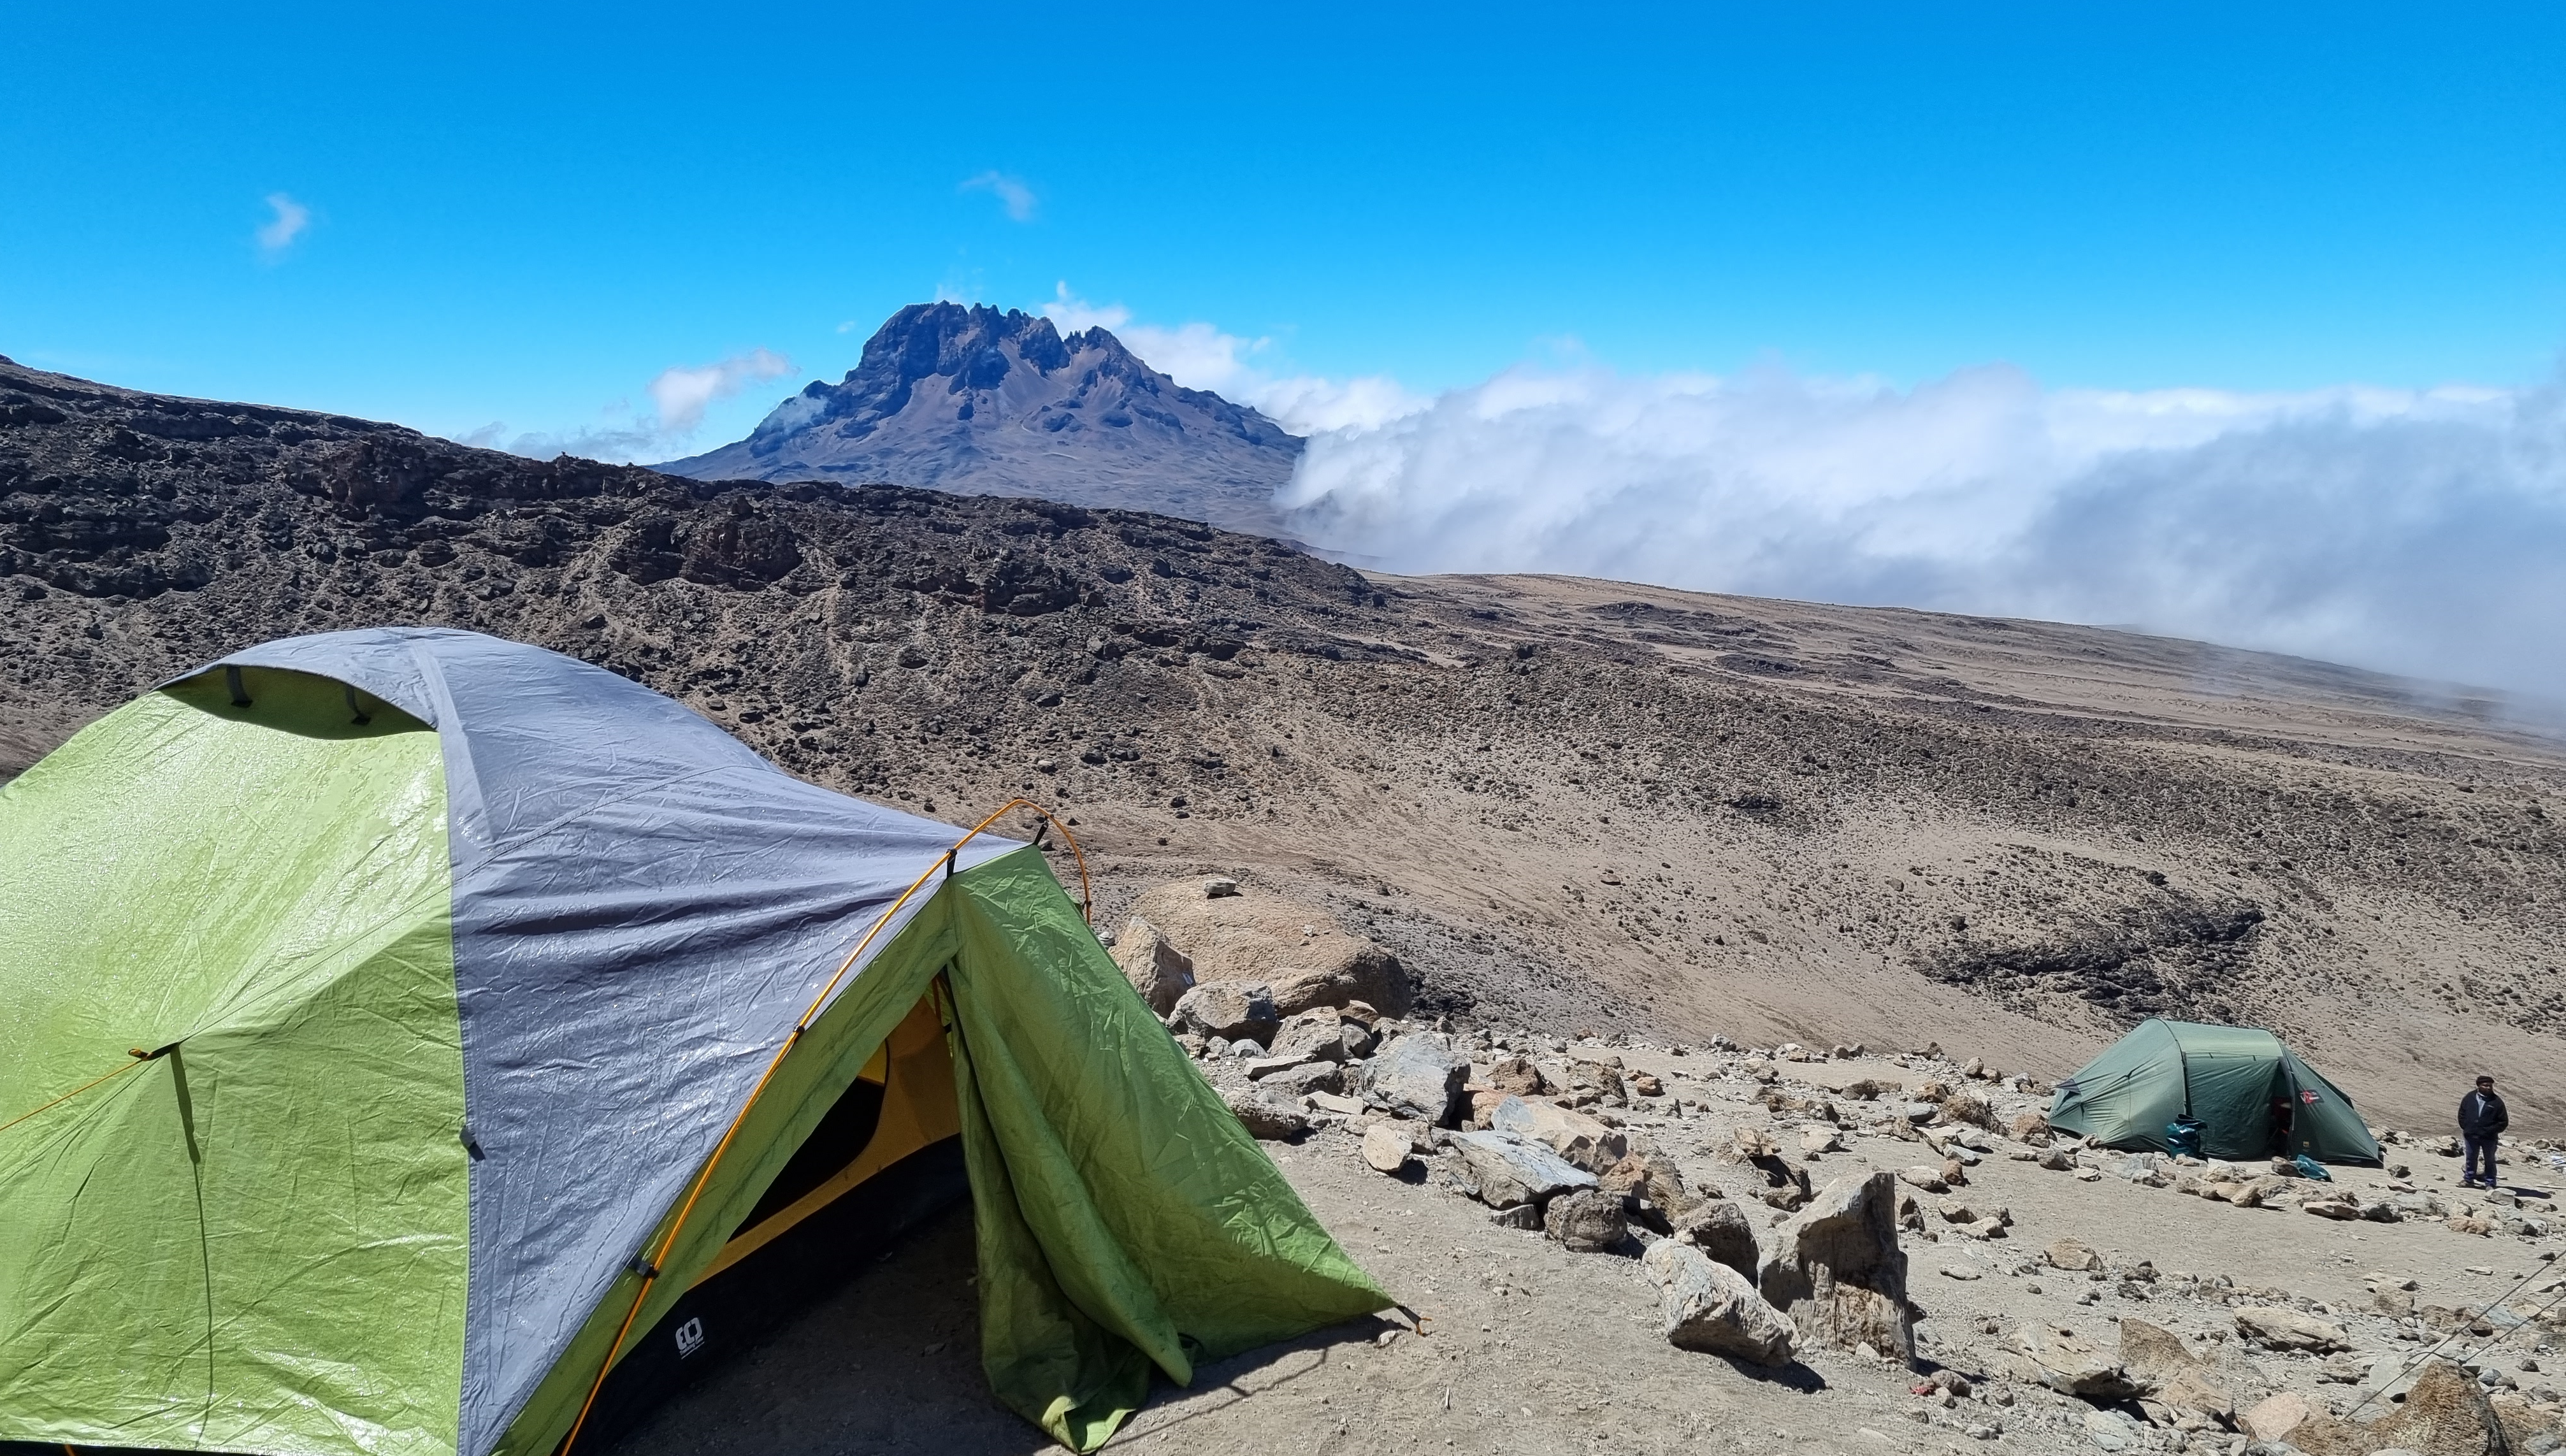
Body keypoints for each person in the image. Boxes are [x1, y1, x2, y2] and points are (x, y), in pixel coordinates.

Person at [2460, 1075, 2509, 1189]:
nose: (2488, 1088)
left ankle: (2490, 1183)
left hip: (2489, 1138)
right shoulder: (2469, 1098)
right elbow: (2462, 1114)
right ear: (2479, 1086)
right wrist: (2467, 1127)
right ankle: (2469, 1180)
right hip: (2471, 1135)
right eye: (2485, 1085)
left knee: (2490, 1160)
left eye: (2490, 1086)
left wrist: (2491, 1131)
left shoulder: (2497, 1102)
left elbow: (2503, 1121)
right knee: (2471, 1158)